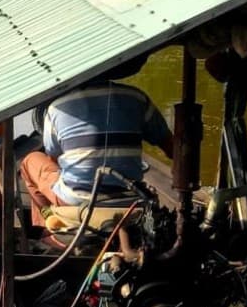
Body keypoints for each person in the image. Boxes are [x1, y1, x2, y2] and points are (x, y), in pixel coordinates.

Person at [18, 55, 176, 228]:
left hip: (75, 199)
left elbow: (54, 159)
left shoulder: (56, 107)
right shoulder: (137, 98)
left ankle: (46, 222)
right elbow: (172, 148)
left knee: (29, 161)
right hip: (132, 197)